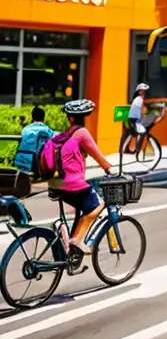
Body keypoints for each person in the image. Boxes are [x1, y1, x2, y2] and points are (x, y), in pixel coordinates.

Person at [43, 99, 114, 256]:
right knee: (98, 204)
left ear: (70, 118)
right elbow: (98, 156)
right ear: (85, 116)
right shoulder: (81, 133)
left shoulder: (62, 136)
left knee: (83, 206)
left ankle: (72, 253)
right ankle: (77, 241)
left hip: (54, 184)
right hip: (71, 184)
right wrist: (110, 169)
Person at [14, 106, 53, 175]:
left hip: (21, 162)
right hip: (36, 165)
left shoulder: (25, 129)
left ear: (32, 117)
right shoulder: (47, 131)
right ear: (43, 117)